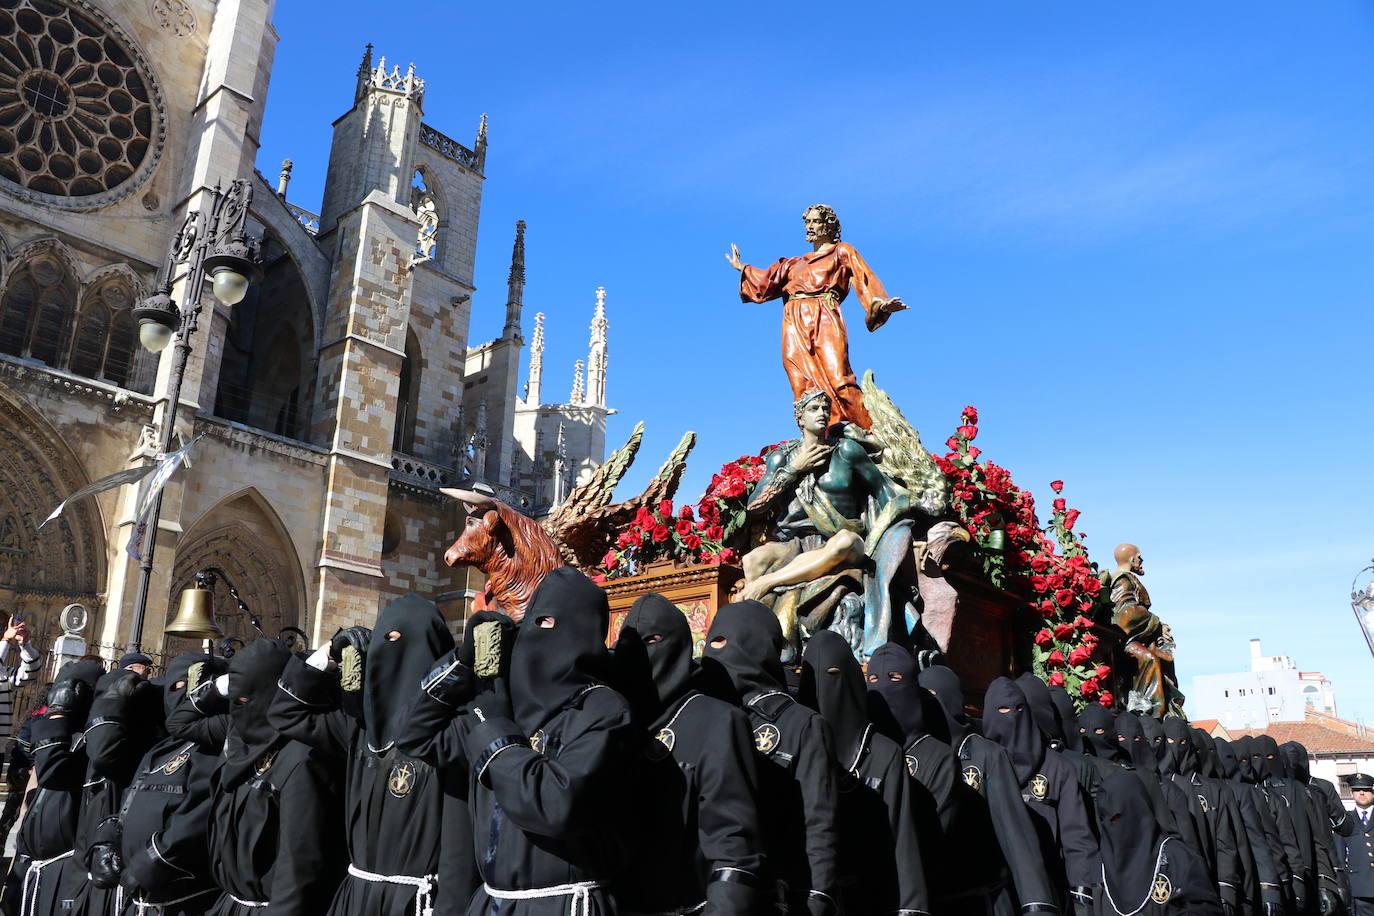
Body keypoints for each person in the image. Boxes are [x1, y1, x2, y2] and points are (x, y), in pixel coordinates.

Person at [397, 566, 635, 916]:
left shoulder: (602, 710)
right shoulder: (504, 703)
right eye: (536, 624)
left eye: (552, 625)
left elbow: (553, 805)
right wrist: (462, 665)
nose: (539, 637)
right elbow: (415, 735)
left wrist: (496, 732)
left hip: (563, 905)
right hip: (491, 902)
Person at [269, 594, 467, 916]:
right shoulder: (360, 728)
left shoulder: (449, 733)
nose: (387, 652)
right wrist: (329, 654)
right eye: (382, 640)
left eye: (399, 641)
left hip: (414, 904)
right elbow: (285, 713)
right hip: (355, 898)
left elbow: (459, 856)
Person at [608, 593, 764, 915]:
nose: (639, 656)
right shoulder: (610, 721)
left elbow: (733, 844)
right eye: (629, 645)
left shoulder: (718, 721)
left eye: (652, 641)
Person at [169, 638, 346, 916]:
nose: (239, 708)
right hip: (228, 904)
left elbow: (298, 869)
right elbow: (179, 722)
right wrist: (217, 687)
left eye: (245, 699)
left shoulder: (302, 757)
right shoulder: (237, 730)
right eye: (235, 700)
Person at [698, 599, 840, 916]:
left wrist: (814, 900)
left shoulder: (799, 724)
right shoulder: (699, 711)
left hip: (768, 897)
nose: (714, 650)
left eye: (725, 640)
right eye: (712, 640)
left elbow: (817, 823)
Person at [726, 204, 906, 429]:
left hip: (824, 315)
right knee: (802, 382)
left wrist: (878, 304)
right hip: (794, 319)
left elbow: (864, 278)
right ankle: (819, 437)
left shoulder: (842, 251)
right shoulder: (793, 264)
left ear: (829, 225)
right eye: (807, 222)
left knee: (839, 378)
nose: (809, 227)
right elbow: (766, 282)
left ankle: (867, 432)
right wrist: (742, 268)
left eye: (815, 221)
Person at [801, 631, 929, 916]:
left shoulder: (883, 752)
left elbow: (903, 841)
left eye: (833, 675)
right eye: (814, 680)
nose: (824, 689)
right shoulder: (799, 743)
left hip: (872, 898)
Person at [89, 652, 226, 916]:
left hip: (184, 903)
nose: (178, 694)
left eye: (185, 687)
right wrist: (107, 838)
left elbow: (198, 818)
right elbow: (131, 798)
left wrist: (148, 864)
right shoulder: (160, 748)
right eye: (173, 687)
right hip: (140, 902)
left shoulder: (214, 748)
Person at [919, 665, 1060, 914]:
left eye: (934, 695)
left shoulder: (986, 754)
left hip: (983, 899)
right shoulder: (917, 753)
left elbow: (1014, 830)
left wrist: (1037, 902)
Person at [867, 644, 994, 916]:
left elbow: (936, 837)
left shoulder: (938, 756)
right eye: (873, 680)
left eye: (895, 679)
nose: (882, 689)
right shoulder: (865, 749)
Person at [981, 678, 1098, 915]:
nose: (1011, 716)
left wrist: (1082, 896)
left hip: (1048, 891)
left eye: (1018, 709)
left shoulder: (1057, 768)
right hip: (995, 894)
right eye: (1002, 710)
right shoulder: (980, 762)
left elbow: (1077, 837)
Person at [13, 658, 102, 916]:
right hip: (32, 866)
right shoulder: (57, 733)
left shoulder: (91, 740)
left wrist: (58, 714)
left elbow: (55, 771)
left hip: (64, 870)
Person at [1091, 768, 1222, 915]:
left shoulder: (1178, 859)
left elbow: (1207, 909)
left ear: (1138, 809)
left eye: (1118, 818)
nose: (1112, 825)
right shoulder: (1098, 868)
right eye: (1106, 820)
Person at [1211, 737, 1284, 916]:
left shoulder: (1245, 792)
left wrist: (1269, 888)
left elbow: (1260, 840)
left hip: (1245, 883)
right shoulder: (1203, 789)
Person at [1282, 741, 1354, 913]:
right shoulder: (1277, 789)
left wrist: (1324, 803)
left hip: (1324, 861)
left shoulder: (1322, 787)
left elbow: (1345, 826)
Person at [1337, 773, 1374, 916]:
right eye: (1357, 790)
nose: (1362, 793)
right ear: (1352, 793)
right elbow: (1340, 856)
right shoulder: (1345, 820)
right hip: (1358, 886)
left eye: (1366, 789)